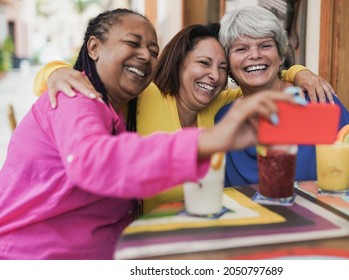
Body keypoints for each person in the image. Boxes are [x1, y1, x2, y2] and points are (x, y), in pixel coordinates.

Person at [0, 9, 300, 260]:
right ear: (94, 47)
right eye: (133, 43)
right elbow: (93, 160)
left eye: (152, 51)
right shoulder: (81, 96)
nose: (144, 56)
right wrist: (53, 71)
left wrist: (297, 73)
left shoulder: (213, 104)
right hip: (40, 256)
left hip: (151, 246)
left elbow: (258, 79)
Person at [214, 5, 349, 187]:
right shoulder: (225, 118)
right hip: (251, 223)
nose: (255, 55)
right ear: (228, 62)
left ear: (280, 54)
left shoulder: (317, 101)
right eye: (241, 49)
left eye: (265, 45)